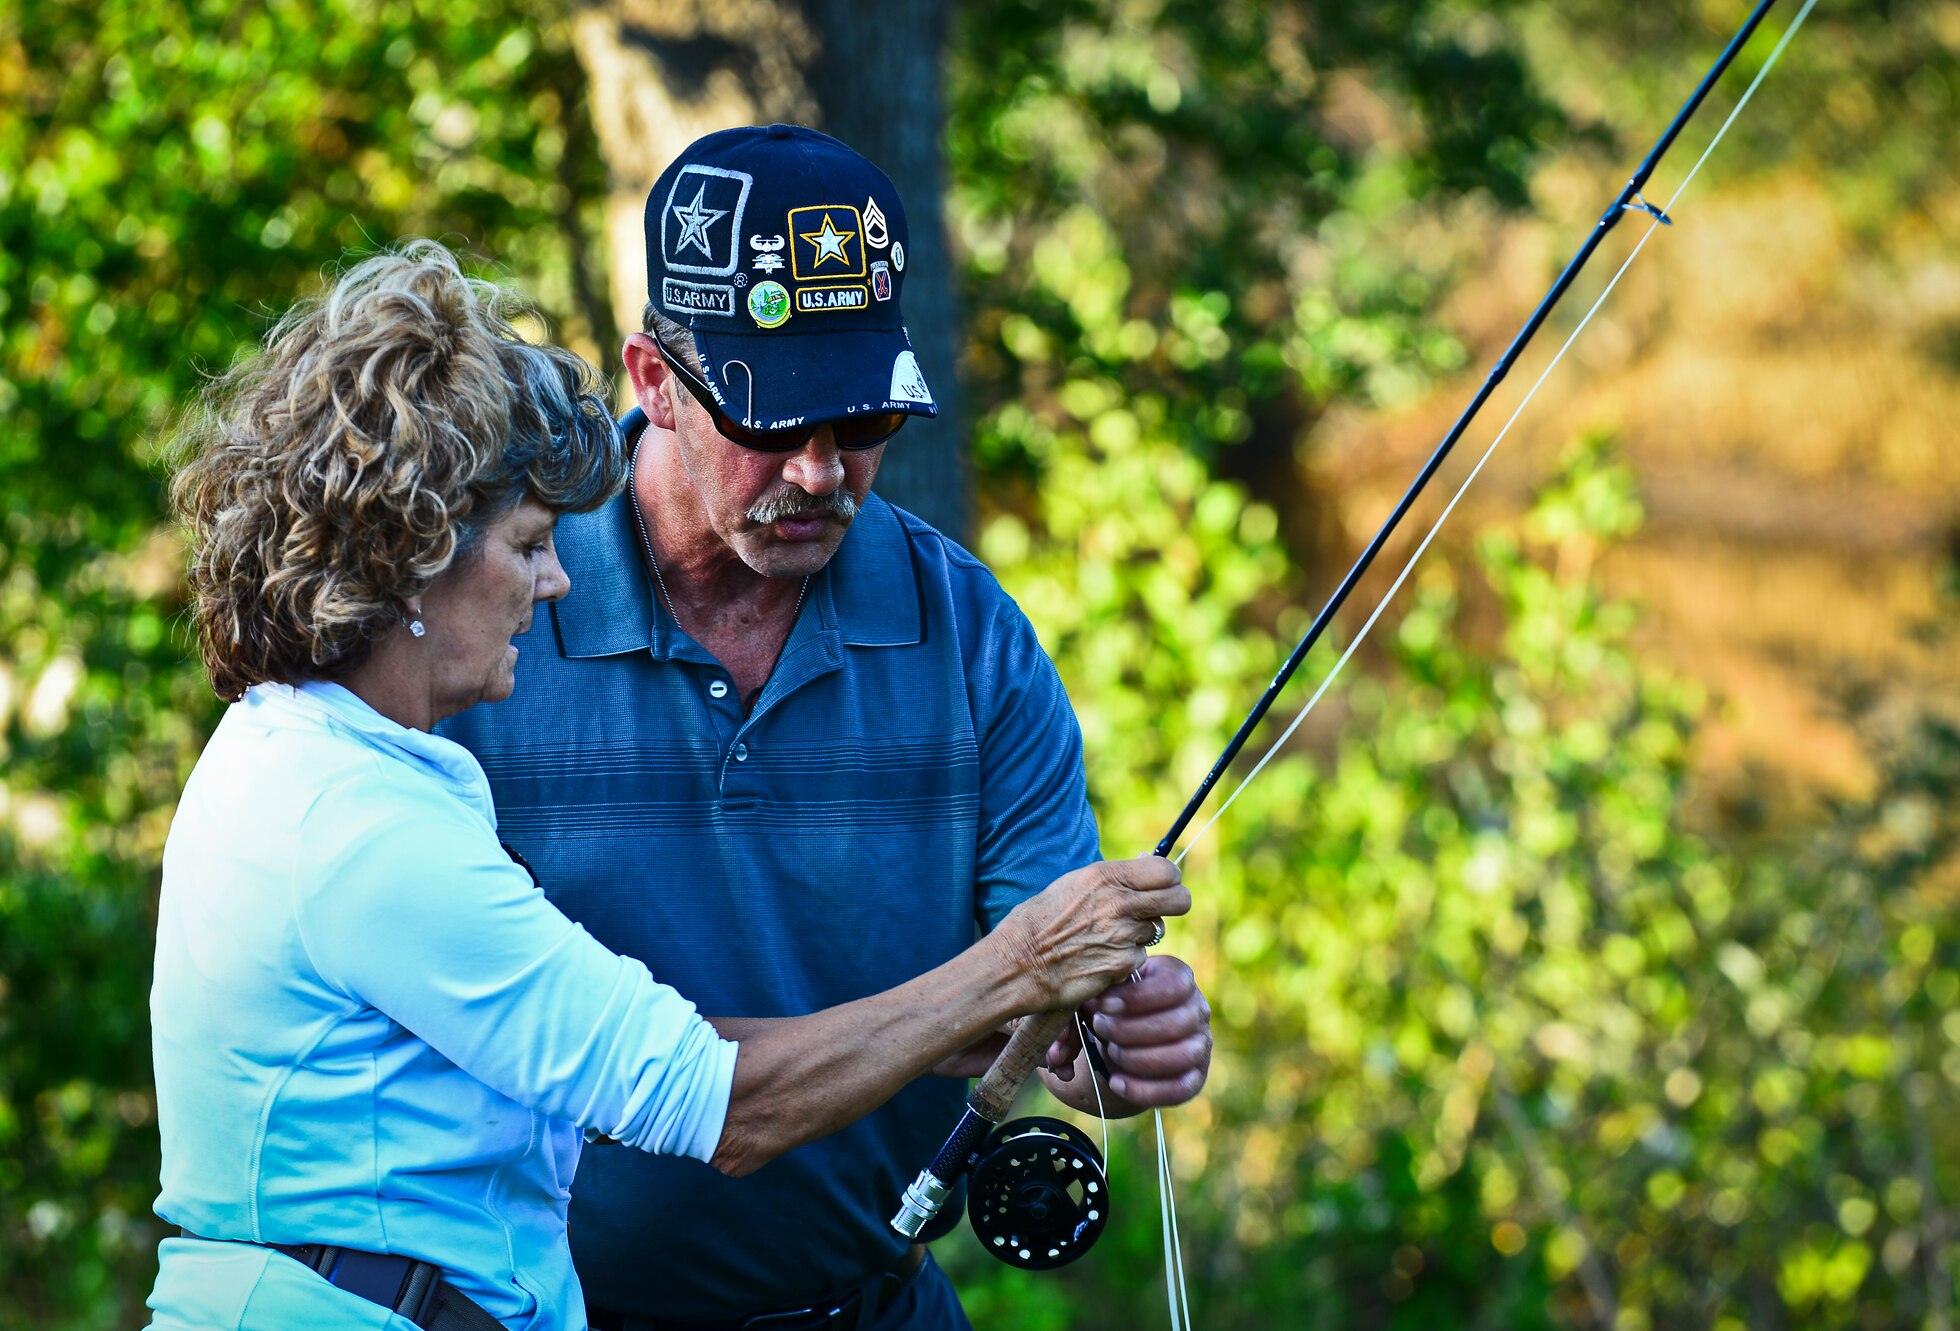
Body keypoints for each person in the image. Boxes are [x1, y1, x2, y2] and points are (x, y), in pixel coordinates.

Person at [147, 242, 1188, 1331]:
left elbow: (583, 1040)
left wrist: (1015, 1016)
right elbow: (714, 1101)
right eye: (528, 543)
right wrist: (1019, 966)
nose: (552, 580)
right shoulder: (353, 824)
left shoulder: (318, 763)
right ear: (406, 554)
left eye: (863, 427)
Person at [440, 126, 1215, 1330]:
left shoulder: (966, 629)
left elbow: (1042, 996)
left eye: (860, 424)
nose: (819, 473)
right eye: (770, 421)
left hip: (876, 1304)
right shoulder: (488, 612)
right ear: (653, 379)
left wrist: (1108, 1037)